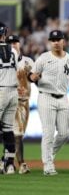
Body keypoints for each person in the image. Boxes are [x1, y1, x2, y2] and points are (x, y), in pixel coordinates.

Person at [29, 30, 69, 175]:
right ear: (50, 42)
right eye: (53, 40)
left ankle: (49, 154)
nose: (56, 42)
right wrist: (32, 77)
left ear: (63, 41)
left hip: (63, 98)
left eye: (58, 39)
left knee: (65, 133)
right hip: (46, 97)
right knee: (48, 132)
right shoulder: (43, 58)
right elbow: (31, 76)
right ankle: (47, 165)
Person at [6, 35, 33, 174]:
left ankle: (7, 160)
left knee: (19, 134)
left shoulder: (28, 61)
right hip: (10, 101)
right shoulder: (4, 62)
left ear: (20, 43)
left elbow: (33, 77)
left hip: (24, 103)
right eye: (9, 42)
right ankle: (20, 164)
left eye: (15, 42)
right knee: (15, 133)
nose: (13, 44)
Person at [0, 22, 19, 174]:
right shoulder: (13, 50)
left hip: (1, 91)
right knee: (8, 129)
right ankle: (10, 164)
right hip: (13, 93)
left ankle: (1, 164)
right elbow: (18, 71)